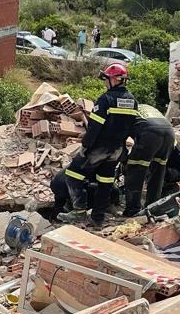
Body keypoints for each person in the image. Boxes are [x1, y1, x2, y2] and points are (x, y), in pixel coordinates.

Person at [58, 63, 138, 227]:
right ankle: (97, 218)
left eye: (106, 79)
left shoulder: (105, 99)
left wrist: (86, 146)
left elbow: (94, 127)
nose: (104, 83)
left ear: (115, 80)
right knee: (105, 182)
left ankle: (79, 212)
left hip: (99, 148)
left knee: (73, 175)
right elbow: (131, 127)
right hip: (117, 149)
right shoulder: (132, 101)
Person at [123, 104, 177, 216]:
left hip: (150, 133)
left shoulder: (124, 112)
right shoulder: (147, 108)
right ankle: (153, 207)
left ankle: (133, 210)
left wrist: (124, 160)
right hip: (170, 134)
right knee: (158, 172)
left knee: (135, 170)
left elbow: (119, 137)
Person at [50, 168, 121, 216]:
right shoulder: (99, 170)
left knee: (60, 198)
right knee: (92, 193)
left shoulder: (85, 162)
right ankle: (80, 212)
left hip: (55, 185)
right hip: (67, 187)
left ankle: (56, 214)